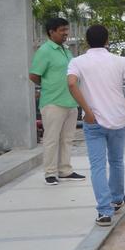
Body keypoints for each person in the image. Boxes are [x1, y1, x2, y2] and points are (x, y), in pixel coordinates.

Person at [66, 25, 125, 226]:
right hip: (117, 119)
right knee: (116, 161)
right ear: (107, 40)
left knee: (98, 166)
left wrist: (87, 110)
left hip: (94, 121)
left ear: (86, 41)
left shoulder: (78, 62)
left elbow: (72, 83)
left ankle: (104, 211)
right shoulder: (119, 61)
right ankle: (117, 198)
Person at [30, 17, 86, 185]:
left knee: (67, 138)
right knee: (51, 138)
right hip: (53, 102)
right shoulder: (45, 50)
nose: (66, 33)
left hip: (70, 101)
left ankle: (65, 170)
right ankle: (50, 173)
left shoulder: (66, 50)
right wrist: (48, 86)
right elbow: (34, 75)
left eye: (66, 30)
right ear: (51, 32)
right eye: (62, 30)